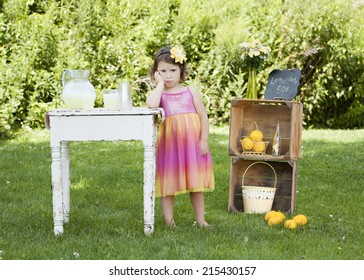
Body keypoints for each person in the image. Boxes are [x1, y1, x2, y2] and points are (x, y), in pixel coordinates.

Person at [146, 46, 215, 228]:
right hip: (170, 147)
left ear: (181, 71)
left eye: (173, 71)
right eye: (163, 71)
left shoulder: (190, 92)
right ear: (156, 73)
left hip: (192, 145)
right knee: (168, 185)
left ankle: (201, 220)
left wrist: (204, 140)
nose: (168, 75)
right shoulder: (159, 95)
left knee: (196, 184)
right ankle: (170, 223)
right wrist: (159, 85)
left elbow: (203, 116)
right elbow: (150, 105)